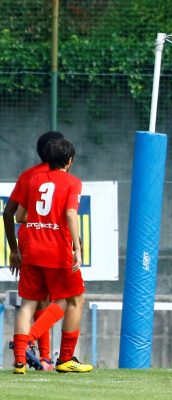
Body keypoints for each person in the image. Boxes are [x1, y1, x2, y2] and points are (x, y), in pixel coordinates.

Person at [12, 139, 93, 374]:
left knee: (28, 304)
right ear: (70, 161)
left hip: (31, 249)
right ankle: (63, 358)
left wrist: (40, 223)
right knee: (73, 300)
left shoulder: (34, 180)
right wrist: (77, 247)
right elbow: (70, 213)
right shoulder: (72, 182)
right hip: (57, 251)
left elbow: (19, 216)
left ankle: (19, 362)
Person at [3, 130, 65, 371]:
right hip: (53, 243)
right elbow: (66, 214)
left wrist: (13, 250)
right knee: (61, 300)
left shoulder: (28, 176)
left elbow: (12, 214)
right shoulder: (62, 178)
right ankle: (42, 354)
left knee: (34, 301)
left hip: (28, 244)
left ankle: (32, 359)